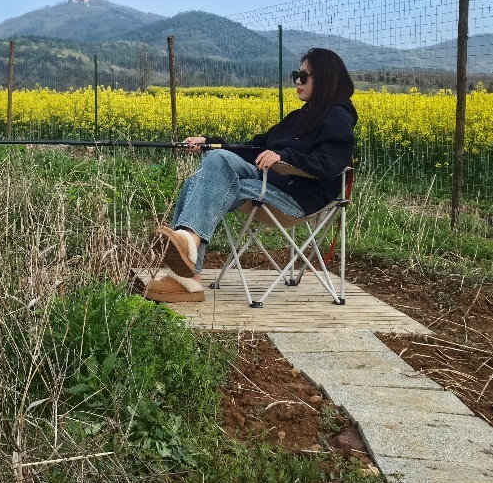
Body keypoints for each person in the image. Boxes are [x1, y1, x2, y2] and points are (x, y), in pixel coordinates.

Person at [137, 48, 357, 303]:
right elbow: (254, 147)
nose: (297, 80)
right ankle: (189, 266)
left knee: (212, 173)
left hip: (296, 196)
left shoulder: (338, 117)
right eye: (296, 74)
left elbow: (330, 164)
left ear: (326, 78)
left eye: (304, 75)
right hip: (267, 182)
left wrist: (285, 157)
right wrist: (211, 143)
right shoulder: (300, 116)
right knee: (200, 177)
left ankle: (186, 271)